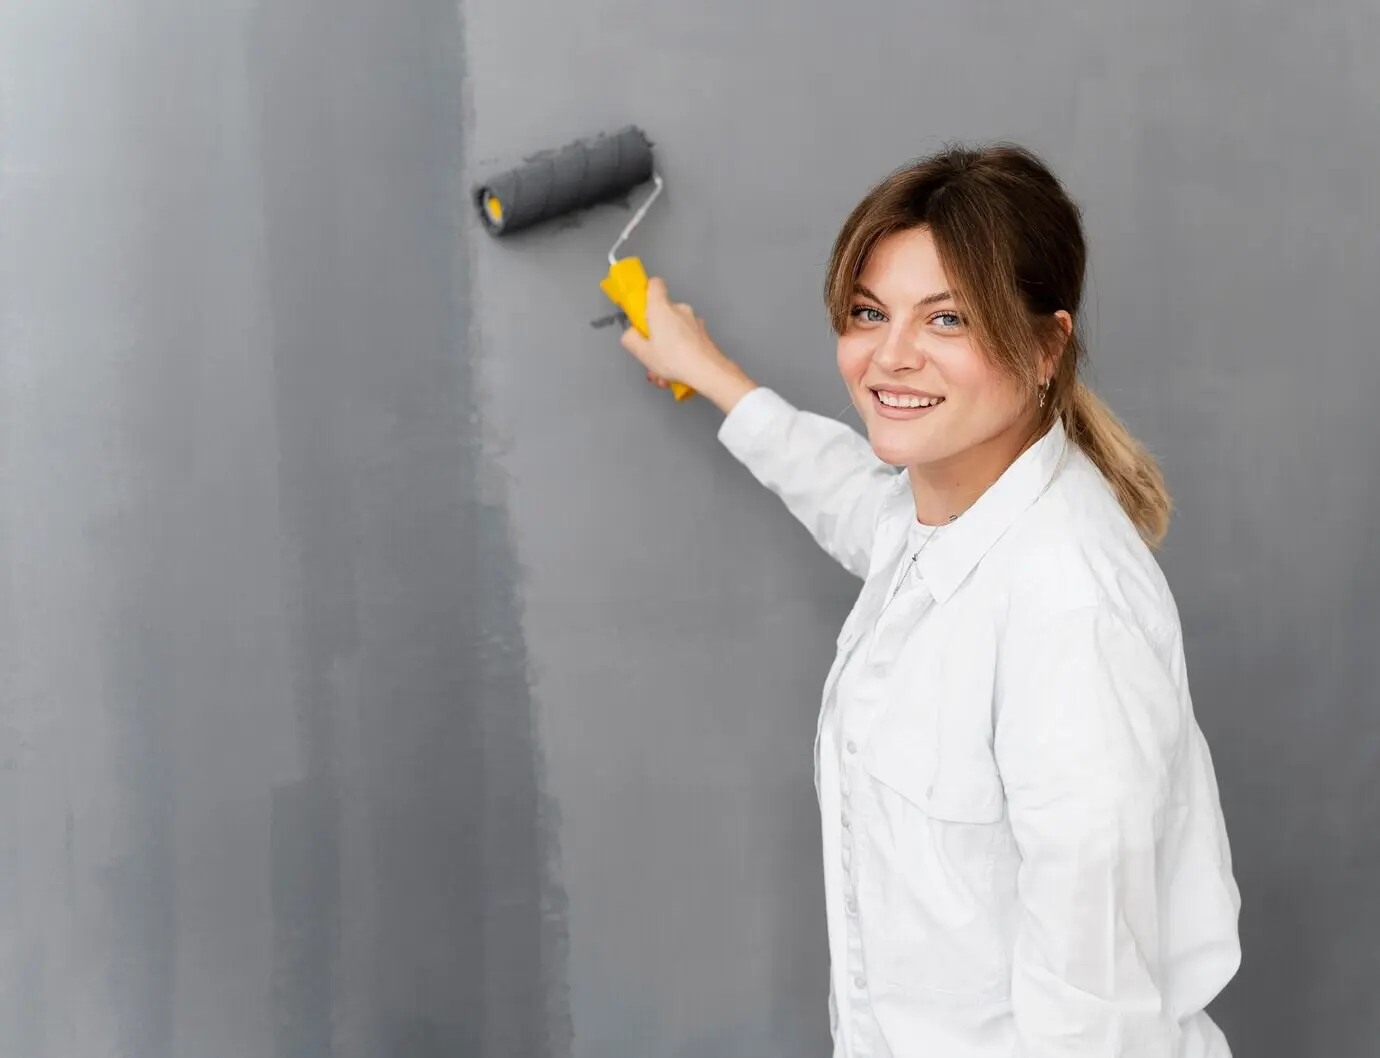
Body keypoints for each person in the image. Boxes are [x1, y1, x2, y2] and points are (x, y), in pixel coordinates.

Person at [617, 143, 1242, 1057]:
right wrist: (711, 373)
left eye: (946, 320)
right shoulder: (945, 518)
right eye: (869, 313)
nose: (890, 356)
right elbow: (852, 497)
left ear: (1044, 346)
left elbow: (1096, 1013)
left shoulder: (1067, 613)